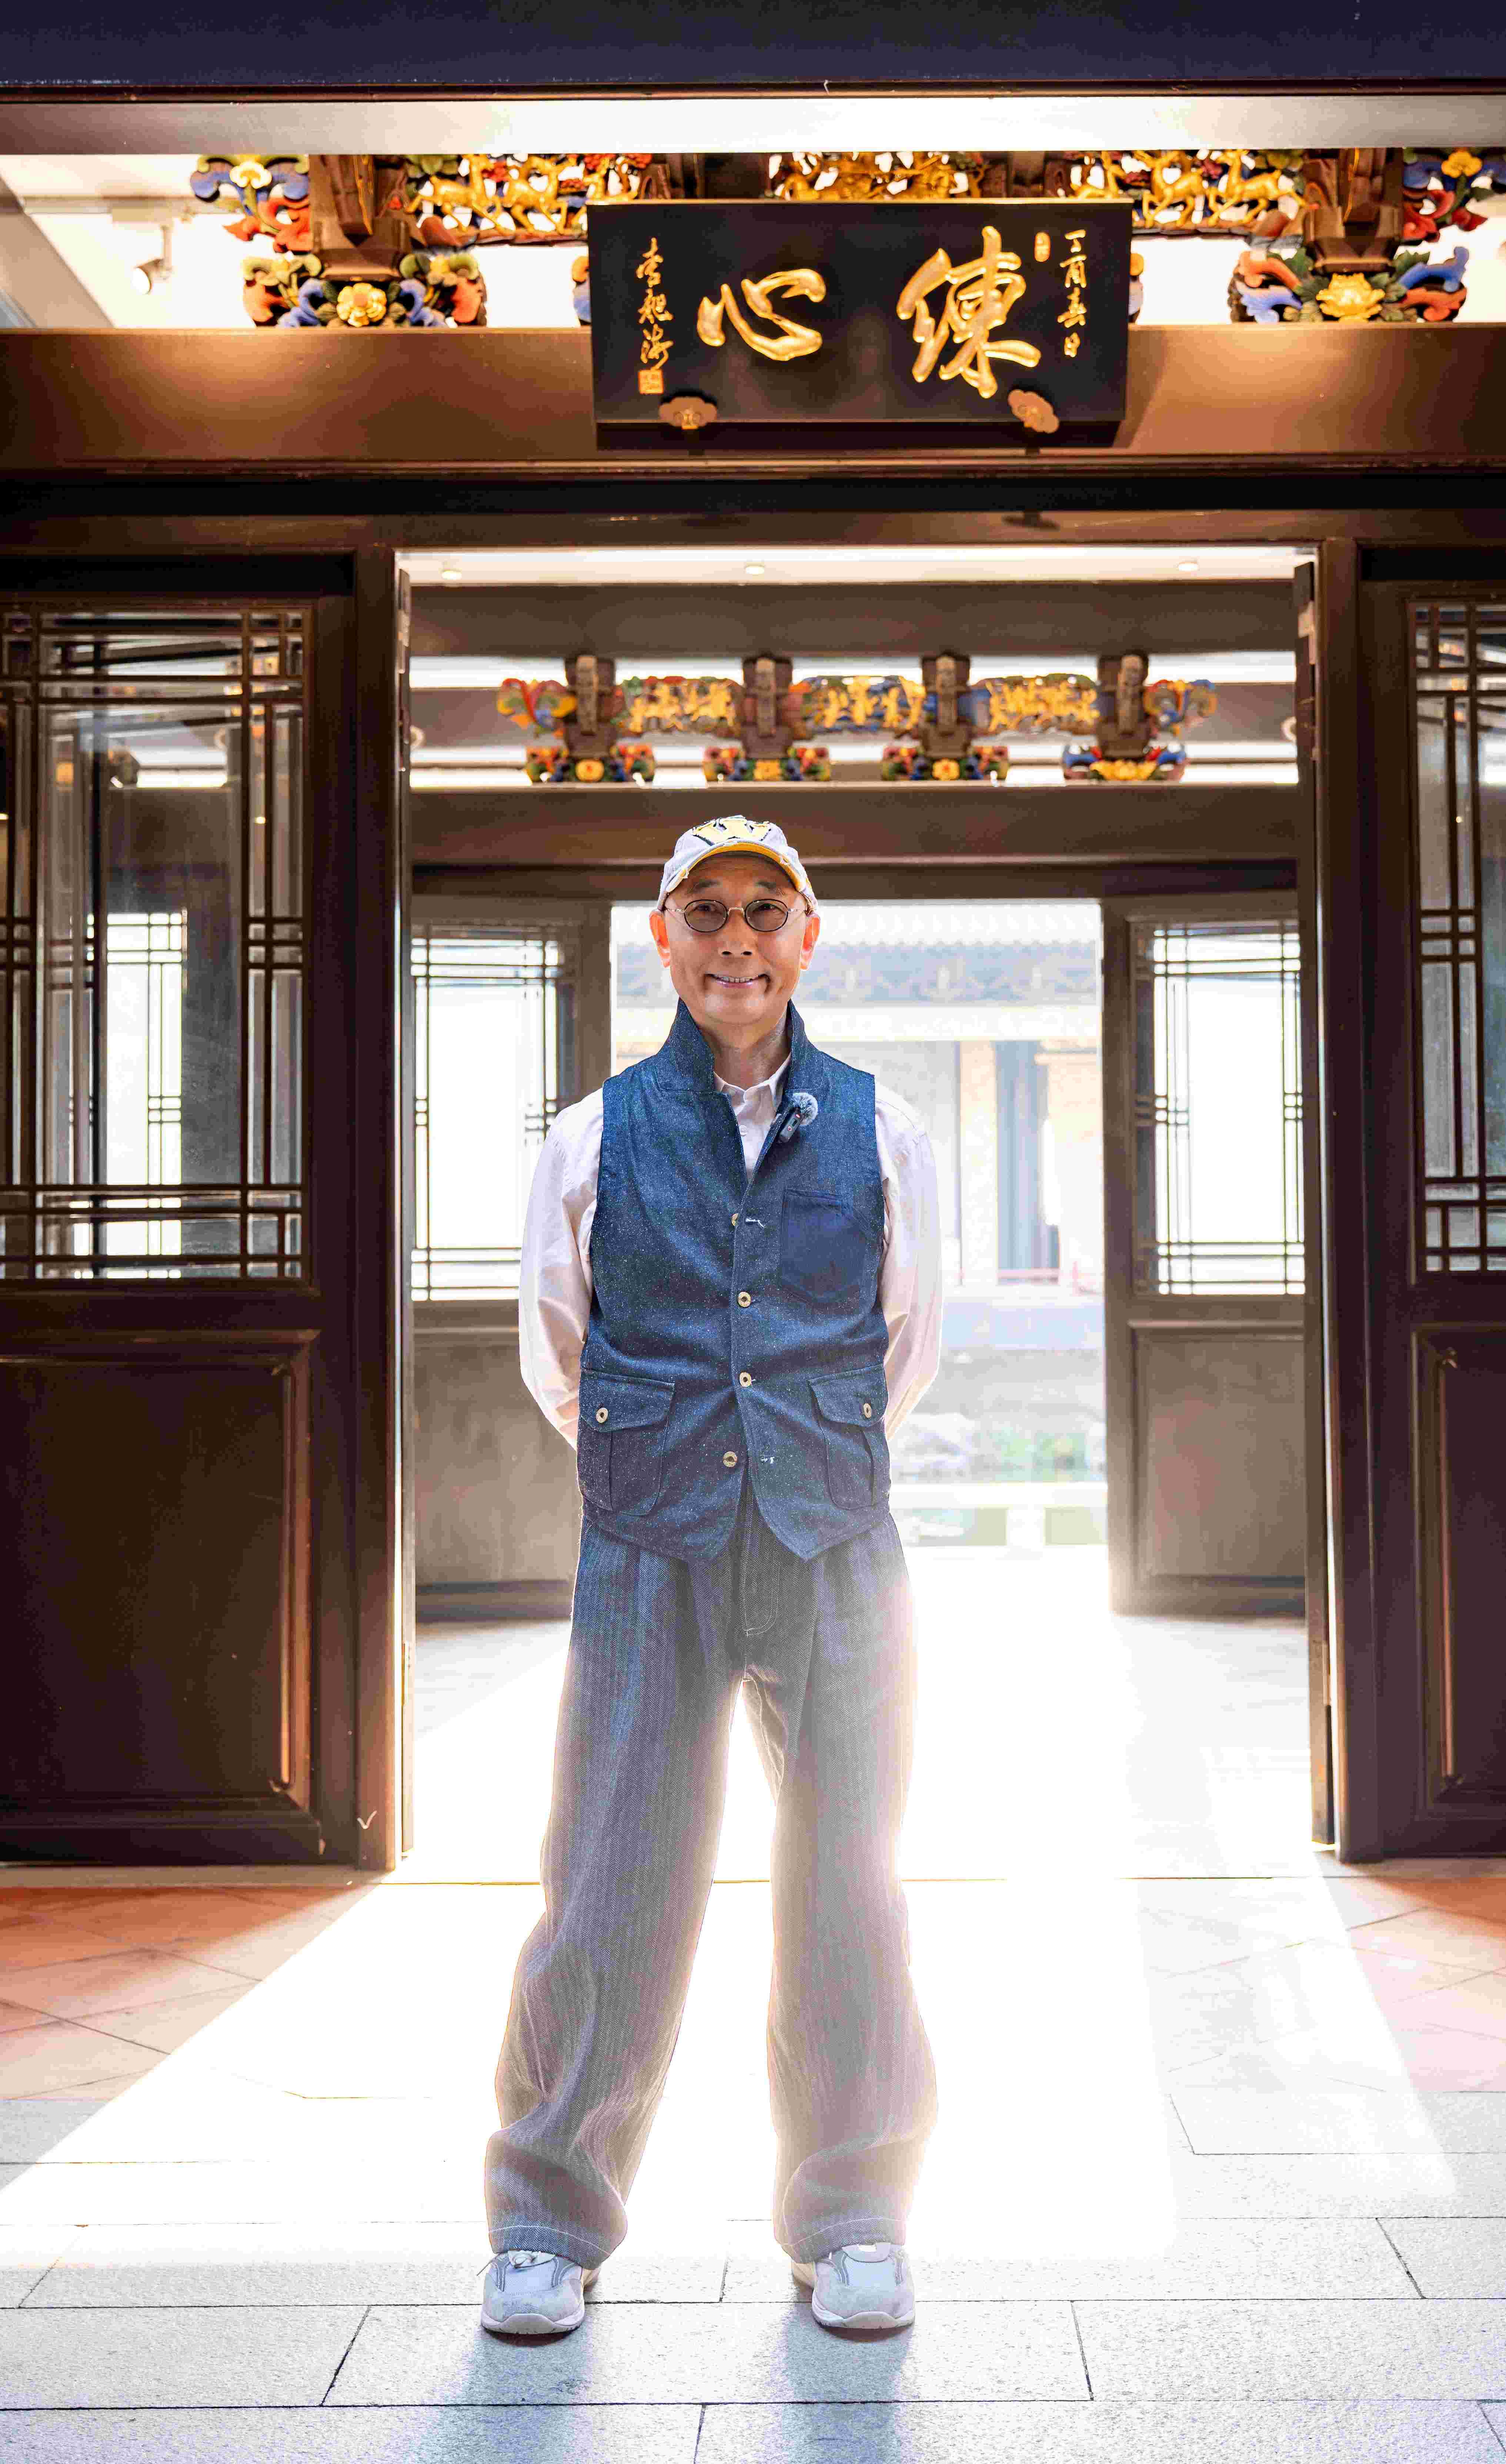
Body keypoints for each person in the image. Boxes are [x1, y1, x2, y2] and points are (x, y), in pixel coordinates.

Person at [481, 814, 942, 2342]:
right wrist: (660, 1453)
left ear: (807, 937)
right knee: (613, 1871)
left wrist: (798, 1446)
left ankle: (854, 2215)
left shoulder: (883, 1128)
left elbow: (906, 1342)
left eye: (764, 909)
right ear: (663, 939)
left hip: (833, 1536)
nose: (735, 940)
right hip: (650, 1534)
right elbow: (559, 1345)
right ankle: (546, 2222)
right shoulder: (593, 1133)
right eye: (706, 913)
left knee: (848, 1879)